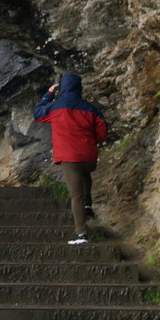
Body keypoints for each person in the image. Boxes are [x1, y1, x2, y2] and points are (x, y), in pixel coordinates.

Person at [34, 73, 109, 243]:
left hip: (69, 157)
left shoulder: (56, 107)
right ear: (79, 88)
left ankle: (81, 234)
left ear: (63, 88)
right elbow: (103, 129)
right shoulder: (89, 108)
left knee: (76, 196)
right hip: (89, 156)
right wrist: (91, 141)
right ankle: (88, 206)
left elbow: (38, 113)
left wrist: (49, 94)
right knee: (85, 173)